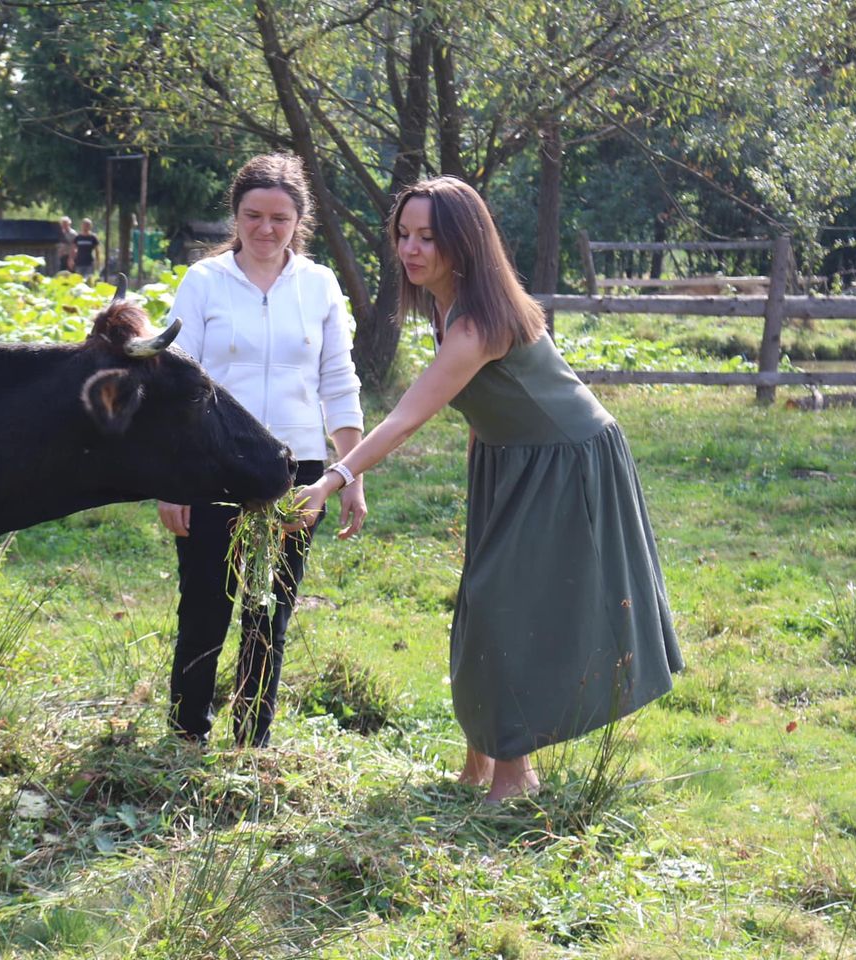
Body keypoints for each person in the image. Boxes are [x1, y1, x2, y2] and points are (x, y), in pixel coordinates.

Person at [289, 175, 683, 801]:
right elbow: (485, 407)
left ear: (464, 243)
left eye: (428, 237)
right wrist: (488, 482)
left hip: (568, 463)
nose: (411, 249)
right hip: (510, 461)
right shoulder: (446, 308)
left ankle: (512, 780)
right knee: (482, 601)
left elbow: (406, 415)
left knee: (507, 607)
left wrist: (336, 475)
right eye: (404, 235)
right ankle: (480, 765)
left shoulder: (478, 324)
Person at [159, 153, 366, 747]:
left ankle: (253, 740)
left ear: (299, 219)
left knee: (267, 609)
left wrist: (350, 471)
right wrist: (171, 482)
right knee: (204, 604)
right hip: (213, 466)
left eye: (280, 217)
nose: (265, 229)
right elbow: (177, 383)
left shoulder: (319, 285)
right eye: (253, 215)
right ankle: (186, 735)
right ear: (236, 215)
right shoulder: (204, 282)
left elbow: (338, 380)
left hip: (295, 472)